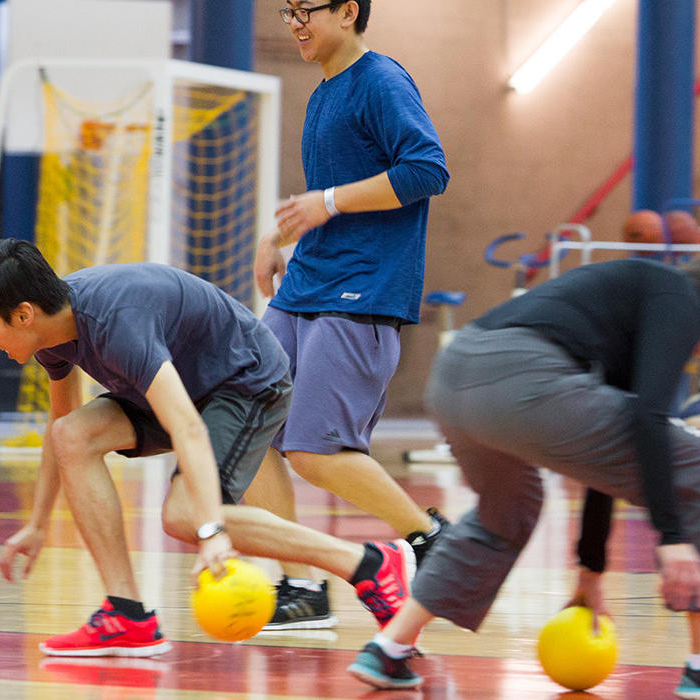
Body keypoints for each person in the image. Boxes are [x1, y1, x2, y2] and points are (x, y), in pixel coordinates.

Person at [345, 248, 700, 699]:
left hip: (455, 377)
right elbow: (648, 421)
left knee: (505, 514)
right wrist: (673, 537)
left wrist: (591, 569)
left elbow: (610, 456)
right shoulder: (681, 298)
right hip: (521, 376)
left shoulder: (646, 302)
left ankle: (389, 647)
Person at [0, 239, 415, 657]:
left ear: (24, 314)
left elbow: (188, 428)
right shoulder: (52, 337)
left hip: (246, 382)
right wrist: (37, 525)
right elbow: (60, 427)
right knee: (73, 434)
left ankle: (369, 563)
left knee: (184, 516)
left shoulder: (114, 321)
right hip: (183, 390)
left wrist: (212, 534)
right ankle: (126, 614)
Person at [249, 0, 451, 631]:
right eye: (287, 12)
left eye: (306, 9)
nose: (296, 23)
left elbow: (427, 170)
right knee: (245, 417)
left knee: (313, 449)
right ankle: (301, 587)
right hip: (307, 282)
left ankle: (430, 540)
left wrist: (327, 203)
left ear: (348, 10)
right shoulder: (323, 93)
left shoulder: (383, 81)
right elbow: (326, 203)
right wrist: (281, 235)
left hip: (364, 288)